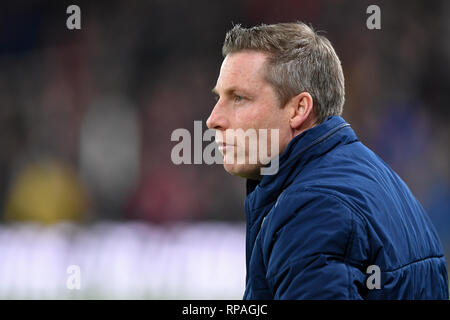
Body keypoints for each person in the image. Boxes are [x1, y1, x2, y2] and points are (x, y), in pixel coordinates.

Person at [206, 22, 449, 299]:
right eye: (219, 98)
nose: (214, 119)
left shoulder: (314, 207)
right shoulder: (374, 179)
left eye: (238, 98)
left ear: (299, 109)